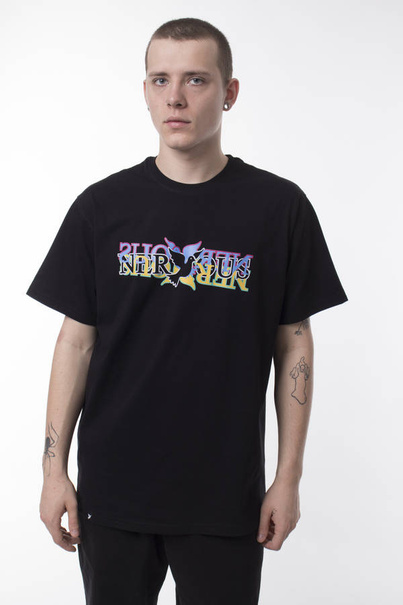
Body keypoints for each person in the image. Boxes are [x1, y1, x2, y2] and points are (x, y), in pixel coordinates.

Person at [26, 17, 348, 605]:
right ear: (145, 91)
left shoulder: (279, 209)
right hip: (114, 493)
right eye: (160, 80)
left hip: (225, 496)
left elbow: (294, 343)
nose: (175, 97)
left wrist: (288, 477)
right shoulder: (102, 207)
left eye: (196, 79)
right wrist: (53, 472)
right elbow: (75, 342)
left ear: (230, 92)